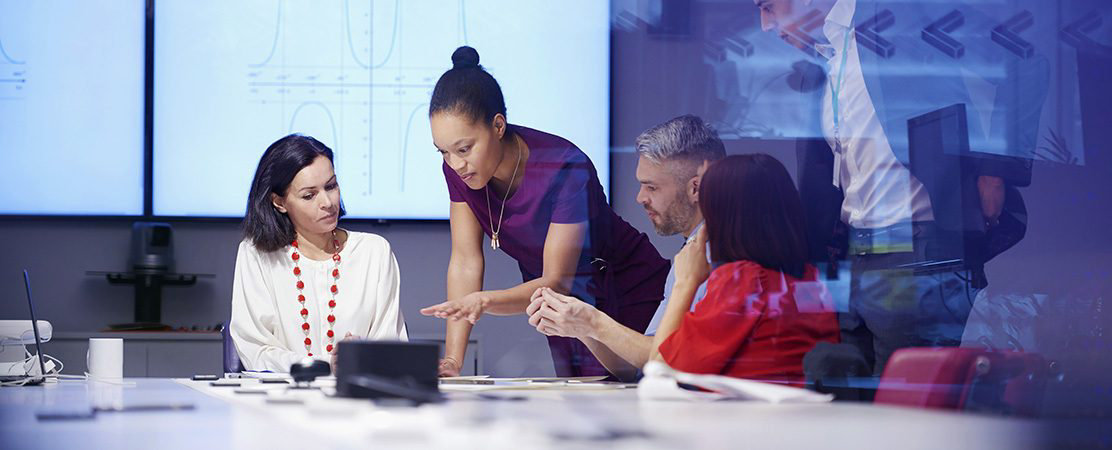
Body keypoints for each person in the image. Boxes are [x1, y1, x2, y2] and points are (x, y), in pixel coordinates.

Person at [756, 0, 1043, 374]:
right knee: (845, 408)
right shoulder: (825, 61)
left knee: (900, 410)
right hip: (852, 258)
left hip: (917, 253)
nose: (763, 24)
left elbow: (1024, 60)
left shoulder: (898, 12)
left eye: (767, 6)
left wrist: (994, 170)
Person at [419, 46, 670, 377]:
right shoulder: (458, 169)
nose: (455, 164)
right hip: (559, 306)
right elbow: (465, 261)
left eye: (464, 149)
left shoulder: (563, 166)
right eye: (443, 152)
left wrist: (483, 301)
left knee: (642, 396)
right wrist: (453, 359)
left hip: (623, 287)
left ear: (498, 126)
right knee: (581, 409)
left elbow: (557, 280)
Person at [526, 115, 726, 380]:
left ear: (695, 188)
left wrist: (593, 322)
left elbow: (662, 361)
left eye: (651, 187)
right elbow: (641, 365)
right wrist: (581, 327)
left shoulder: (722, 258)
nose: (640, 197)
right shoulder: (688, 257)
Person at [642, 154, 840, 383]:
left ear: (722, 220)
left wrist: (685, 283)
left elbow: (658, 371)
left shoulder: (743, 282)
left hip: (744, 415)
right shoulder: (809, 279)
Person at [231, 134, 407, 372]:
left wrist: (363, 357)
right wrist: (324, 366)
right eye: (309, 195)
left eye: (331, 186)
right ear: (279, 203)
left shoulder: (374, 252)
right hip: (280, 402)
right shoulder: (256, 255)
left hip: (358, 401)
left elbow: (391, 346)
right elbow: (257, 351)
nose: (327, 202)